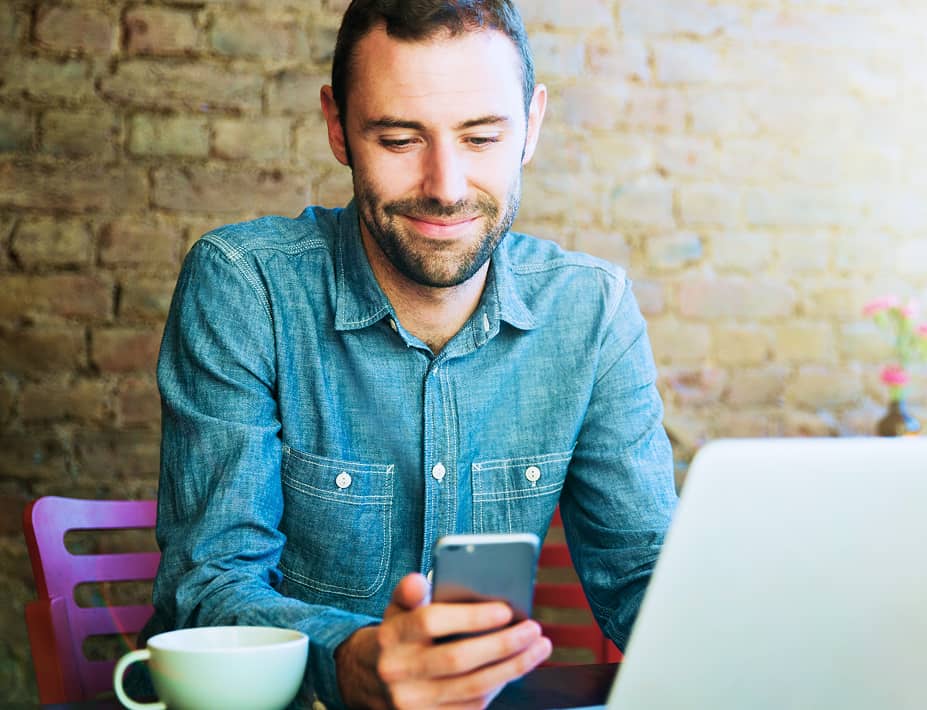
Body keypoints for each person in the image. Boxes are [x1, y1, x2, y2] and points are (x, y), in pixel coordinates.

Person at [142, 1, 678, 707]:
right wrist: (349, 660)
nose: (446, 188)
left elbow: (647, 579)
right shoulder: (247, 288)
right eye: (399, 139)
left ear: (532, 125)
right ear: (338, 126)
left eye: (481, 137)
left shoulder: (593, 310)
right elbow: (207, 588)